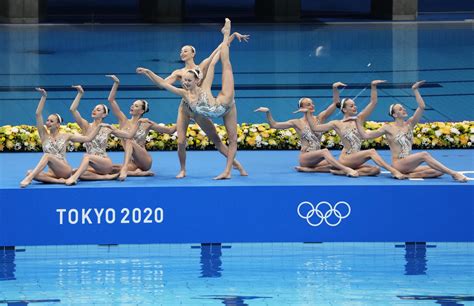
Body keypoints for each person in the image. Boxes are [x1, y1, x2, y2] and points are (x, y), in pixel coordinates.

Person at [137, 18, 245, 180]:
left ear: (193, 53)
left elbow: (217, 54)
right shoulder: (177, 73)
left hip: (200, 109)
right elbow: (163, 85)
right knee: (181, 141)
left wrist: (229, 37)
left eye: (185, 50)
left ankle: (234, 164)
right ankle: (183, 169)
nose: (182, 53)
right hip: (186, 107)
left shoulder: (201, 68)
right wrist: (148, 72)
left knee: (215, 139)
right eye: (181, 51)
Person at [348, 81, 468, 182]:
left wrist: (415, 90)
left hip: (409, 164)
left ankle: (410, 175)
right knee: (424, 155)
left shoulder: (410, 123)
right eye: (400, 109)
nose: (404, 110)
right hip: (399, 164)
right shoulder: (388, 127)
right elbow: (365, 135)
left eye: (403, 108)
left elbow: (421, 107)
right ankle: (453, 173)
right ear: (394, 114)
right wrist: (358, 121)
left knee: (437, 171)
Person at [298, 80, 406, 179]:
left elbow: (373, 102)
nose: (355, 107)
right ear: (344, 109)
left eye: (355, 105)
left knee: (375, 170)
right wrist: (307, 113)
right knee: (371, 152)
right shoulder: (337, 123)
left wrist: (373, 86)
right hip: (347, 158)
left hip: (356, 158)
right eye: (351, 106)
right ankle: (394, 171)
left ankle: (341, 172)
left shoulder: (359, 119)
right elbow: (315, 128)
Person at [254, 82, 358, 177]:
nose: (312, 106)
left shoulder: (319, 118)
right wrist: (268, 112)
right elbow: (274, 125)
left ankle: (310, 170)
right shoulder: (297, 122)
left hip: (318, 157)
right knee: (326, 152)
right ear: (301, 108)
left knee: (336, 163)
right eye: (308, 105)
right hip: (306, 157)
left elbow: (336, 104)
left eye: (312, 103)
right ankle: (346, 170)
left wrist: (334, 88)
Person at [20, 88, 106, 188]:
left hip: (65, 170)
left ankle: (30, 179)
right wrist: (43, 97)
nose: (48, 123)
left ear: (58, 125)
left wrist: (99, 127)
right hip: (52, 173)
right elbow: (38, 114)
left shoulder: (65, 136)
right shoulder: (44, 135)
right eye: (47, 121)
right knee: (29, 172)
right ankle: (59, 181)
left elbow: (88, 139)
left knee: (46, 157)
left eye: (52, 121)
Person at [106, 75, 176, 181]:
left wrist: (185, 119)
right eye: (133, 104)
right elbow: (111, 100)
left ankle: (126, 170)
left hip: (144, 161)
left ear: (142, 111)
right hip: (131, 163)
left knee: (129, 140)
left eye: (136, 106)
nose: (132, 106)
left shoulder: (146, 124)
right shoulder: (123, 121)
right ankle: (136, 173)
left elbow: (170, 131)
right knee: (108, 168)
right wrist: (116, 83)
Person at [65, 85, 119, 185]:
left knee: (86, 157)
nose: (94, 110)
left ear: (104, 115)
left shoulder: (108, 128)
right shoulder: (86, 126)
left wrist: (137, 125)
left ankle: (74, 179)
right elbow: (73, 110)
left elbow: (128, 135)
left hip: (104, 163)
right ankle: (105, 177)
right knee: (74, 170)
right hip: (92, 166)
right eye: (94, 109)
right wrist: (80, 94)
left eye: (98, 110)